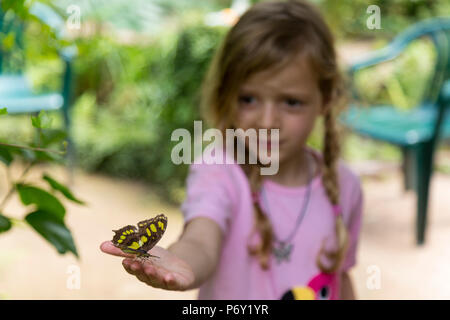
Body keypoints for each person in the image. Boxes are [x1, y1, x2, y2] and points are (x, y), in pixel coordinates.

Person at [101, 0, 363, 300]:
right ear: (227, 96)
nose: (267, 121)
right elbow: (201, 240)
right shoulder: (219, 171)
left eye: (291, 102)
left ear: (326, 98)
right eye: (249, 99)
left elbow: (341, 277)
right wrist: (181, 263)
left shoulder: (346, 187)